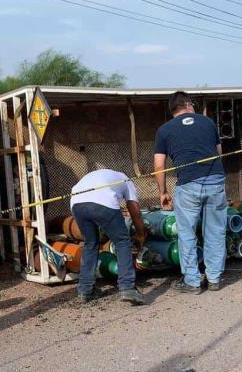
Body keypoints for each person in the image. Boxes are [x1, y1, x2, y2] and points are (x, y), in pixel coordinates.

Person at [153, 91, 227, 293]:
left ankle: (192, 282)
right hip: (215, 181)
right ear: (187, 105)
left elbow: (159, 166)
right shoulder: (208, 123)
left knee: (186, 234)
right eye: (192, 105)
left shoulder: (164, 130)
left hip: (188, 184)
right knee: (215, 231)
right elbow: (219, 154)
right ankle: (214, 279)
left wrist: (163, 192)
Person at [70, 169, 147, 304]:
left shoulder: (100, 175)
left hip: (76, 202)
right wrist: (141, 234)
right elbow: (134, 210)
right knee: (122, 242)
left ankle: (85, 290)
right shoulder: (126, 178)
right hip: (103, 201)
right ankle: (128, 288)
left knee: (91, 243)